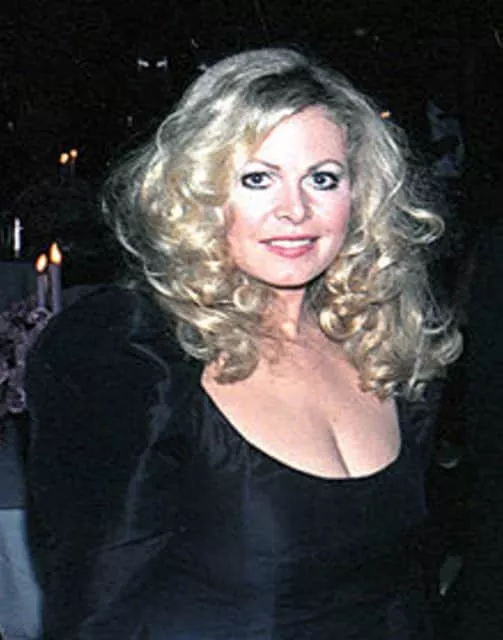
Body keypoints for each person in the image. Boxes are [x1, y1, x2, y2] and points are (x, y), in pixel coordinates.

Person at [24, 47, 461, 639]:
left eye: (323, 179)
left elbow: (403, 594)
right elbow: (97, 612)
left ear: (360, 196)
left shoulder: (385, 346)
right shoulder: (131, 351)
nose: (295, 211)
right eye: (257, 179)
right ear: (199, 192)